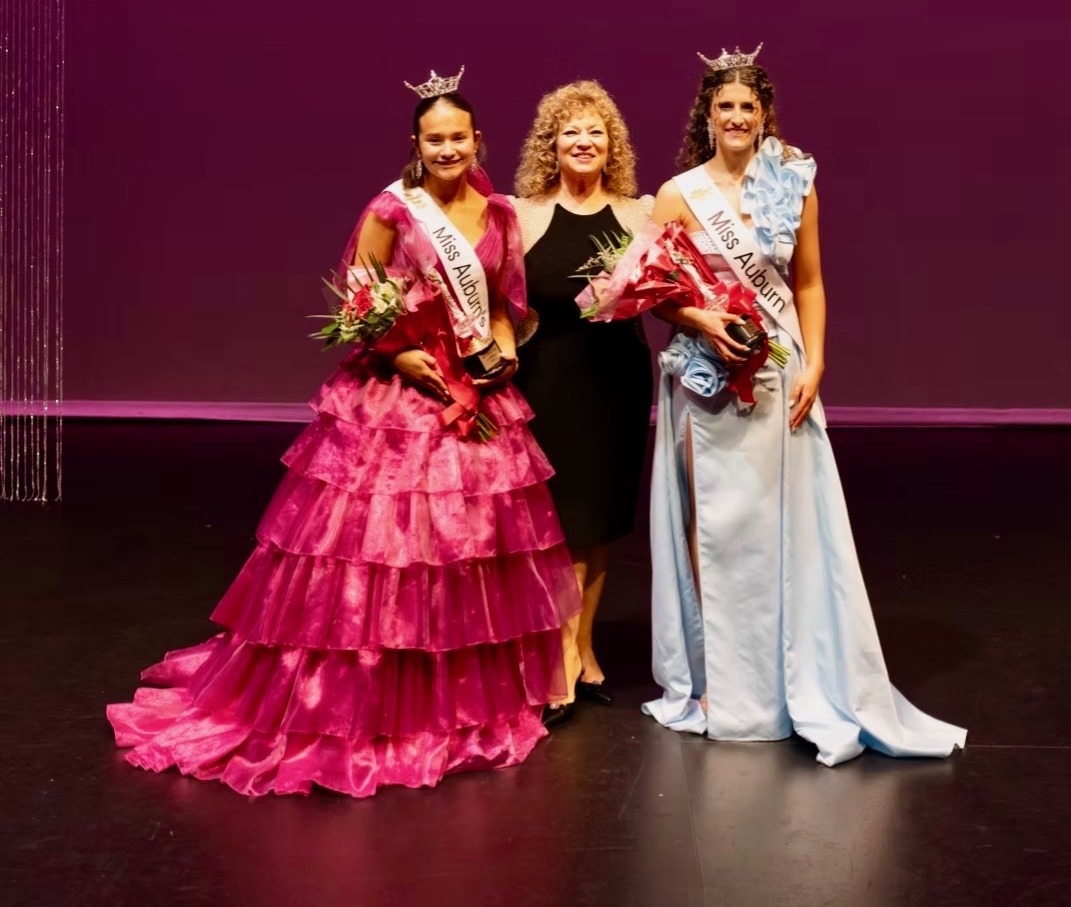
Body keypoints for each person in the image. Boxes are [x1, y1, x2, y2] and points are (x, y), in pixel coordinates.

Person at [107, 74, 580, 794]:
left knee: (462, 552)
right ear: (416, 146)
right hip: (398, 394)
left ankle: (451, 698)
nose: (448, 147)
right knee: (382, 556)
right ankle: (364, 698)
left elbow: (506, 302)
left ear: (477, 140)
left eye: (459, 137)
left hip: (474, 389)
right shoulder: (392, 210)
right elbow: (359, 298)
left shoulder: (499, 213)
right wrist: (401, 353)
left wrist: (505, 345)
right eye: (434, 138)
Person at [643, 47, 966, 765]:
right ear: (707, 114)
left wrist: (814, 359)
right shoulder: (675, 194)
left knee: (784, 525)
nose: (735, 117)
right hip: (701, 374)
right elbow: (655, 289)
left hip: (779, 367)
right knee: (716, 528)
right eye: (722, 106)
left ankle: (796, 675)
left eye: (746, 107)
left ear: (763, 115)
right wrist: (700, 323)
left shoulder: (793, 182)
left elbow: (810, 282)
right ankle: (722, 685)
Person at [511, 81, 653, 719]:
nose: (584, 141)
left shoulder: (641, 213)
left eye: (596, 130)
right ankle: (562, 656)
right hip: (549, 379)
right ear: (552, 143)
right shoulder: (520, 213)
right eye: (571, 130)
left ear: (611, 142)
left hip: (617, 381)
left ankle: (584, 648)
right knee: (561, 526)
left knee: (599, 524)